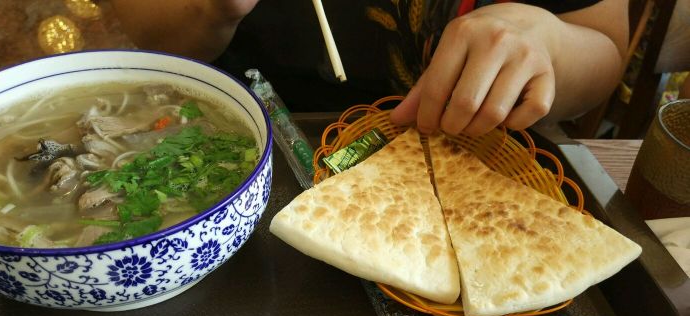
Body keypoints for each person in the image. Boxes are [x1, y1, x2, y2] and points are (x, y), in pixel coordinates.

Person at [112, 1, 630, 137]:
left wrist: (543, 38)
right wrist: (211, 6)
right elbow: (150, 34)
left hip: (480, 158)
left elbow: (606, 48)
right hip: (248, 146)